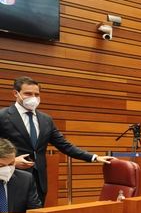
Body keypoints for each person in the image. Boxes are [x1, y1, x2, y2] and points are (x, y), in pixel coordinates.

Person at [0, 77, 114, 205]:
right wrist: (12, 162)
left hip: (39, 181)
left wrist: (93, 157)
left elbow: (64, 145)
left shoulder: (45, 119)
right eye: (28, 93)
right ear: (16, 93)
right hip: (10, 179)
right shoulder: (3, 116)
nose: (33, 97)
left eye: (36, 94)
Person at [0, 138, 41, 213]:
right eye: (1, 166)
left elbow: (35, 212)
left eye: (11, 164)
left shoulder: (26, 180)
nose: (8, 169)